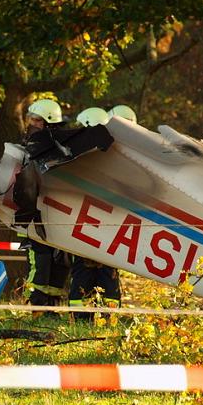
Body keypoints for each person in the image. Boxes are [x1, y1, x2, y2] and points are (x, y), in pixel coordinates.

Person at [68, 107, 122, 319]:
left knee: (103, 273)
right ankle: (86, 317)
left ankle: (103, 317)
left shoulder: (111, 157)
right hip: (89, 224)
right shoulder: (80, 155)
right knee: (90, 272)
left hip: (99, 225)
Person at [21, 98, 70, 314]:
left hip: (56, 217)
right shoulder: (29, 146)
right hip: (35, 218)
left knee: (59, 262)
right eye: (30, 119)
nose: (30, 123)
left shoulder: (60, 148)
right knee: (40, 262)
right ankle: (37, 309)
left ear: (46, 122)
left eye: (35, 120)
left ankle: (50, 310)